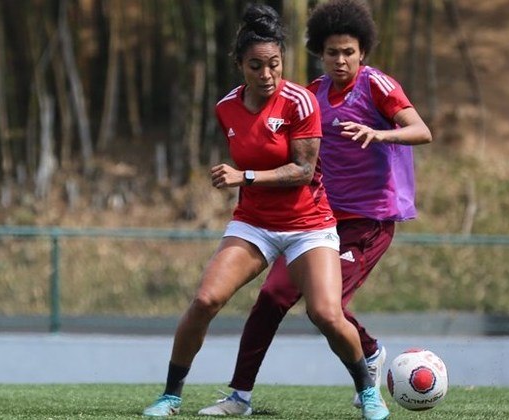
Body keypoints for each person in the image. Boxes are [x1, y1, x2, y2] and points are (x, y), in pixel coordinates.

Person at [141, 4, 390, 420]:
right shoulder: (226, 108)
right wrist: (240, 180)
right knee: (205, 300)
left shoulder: (302, 101)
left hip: (309, 225)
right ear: (240, 64)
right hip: (254, 224)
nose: (267, 74)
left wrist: (245, 176)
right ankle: (170, 396)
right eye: (256, 66)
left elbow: (303, 170)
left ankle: (367, 391)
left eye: (274, 64)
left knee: (326, 314)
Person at [198, 0, 432, 416]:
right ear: (319, 55)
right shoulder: (311, 95)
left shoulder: (377, 85)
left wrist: (378, 134)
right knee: (270, 298)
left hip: (368, 220)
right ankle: (239, 397)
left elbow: (421, 130)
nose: (340, 60)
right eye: (331, 53)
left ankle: (370, 355)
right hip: (317, 219)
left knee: (327, 306)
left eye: (349, 52)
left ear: (363, 53)